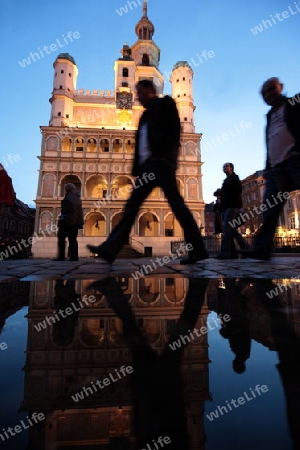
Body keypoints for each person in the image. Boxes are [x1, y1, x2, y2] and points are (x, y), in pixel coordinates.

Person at [87, 79, 208, 264]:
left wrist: (169, 158)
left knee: (178, 207)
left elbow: (175, 131)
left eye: (140, 92)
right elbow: (141, 145)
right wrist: (136, 169)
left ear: (151, 90)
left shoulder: (166, 103)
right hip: (147, 169)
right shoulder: (144, 116)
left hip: (162, 164)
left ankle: (198, 249)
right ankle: (110, 249)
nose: (138, 96)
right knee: (131, 208)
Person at [239, 77, 300, 260]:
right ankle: (262, 248)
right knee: (269, 208)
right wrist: (267, 167)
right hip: (275, 168)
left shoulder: (294, 103)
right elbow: (271, 142)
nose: (268, 95)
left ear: (280, 88)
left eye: (271, 90)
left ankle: (262, 247)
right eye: (265, 94)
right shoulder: (270, 115)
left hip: (294, 161)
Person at [215, 162, 248, 259]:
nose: (225, 167)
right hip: (227, 207)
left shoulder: (234, 178)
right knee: (232, 230)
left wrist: (227, 197)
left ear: (231, 168)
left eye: (227, 166)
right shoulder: (226, 180)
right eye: (223, 166)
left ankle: (225, 253)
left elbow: (238, 190)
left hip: (232, 206)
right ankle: (245, 250)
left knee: (226, 230)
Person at [54, 183, 83, 261]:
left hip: (68, 222)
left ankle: (61, 256)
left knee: (61, 237)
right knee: (73, 239)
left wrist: (63, 219)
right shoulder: (77, 197)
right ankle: (74, 256)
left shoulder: (69, 196)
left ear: (67, 189)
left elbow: (67, 210)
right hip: (75, 222)